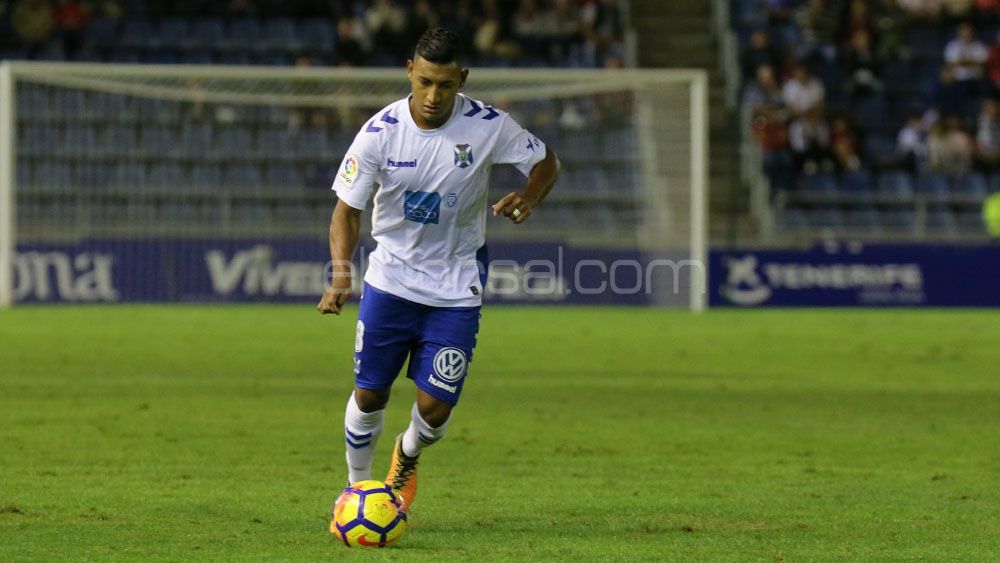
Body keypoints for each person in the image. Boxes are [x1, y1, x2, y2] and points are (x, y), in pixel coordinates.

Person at [317, 28, 560, 515]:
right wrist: (342, 272)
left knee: (435, 409)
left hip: (456, 283)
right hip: (392, 278)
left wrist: (529, 196)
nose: (433, 96)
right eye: (425, 81)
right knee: (370, 395)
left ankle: (406, 455)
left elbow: (547, 162)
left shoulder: (489, 125)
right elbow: (346, 211)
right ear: (410, 70)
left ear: (461, 80)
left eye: (445, 85)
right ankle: (357, 490)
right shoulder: (378, 133)